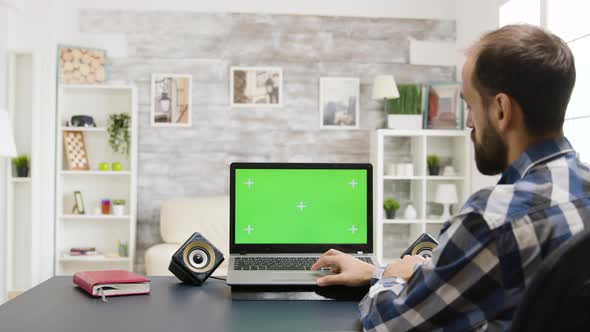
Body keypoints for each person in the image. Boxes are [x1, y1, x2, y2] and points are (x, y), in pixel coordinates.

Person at [312, 24, 589, 331]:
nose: (468, 122)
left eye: (470, 105)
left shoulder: (494, 220)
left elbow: (389, 324)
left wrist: (392, 275)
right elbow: (491, 287)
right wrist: (379, 272)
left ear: (501, 109)